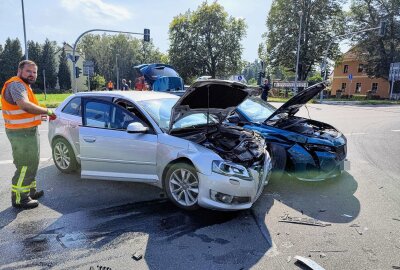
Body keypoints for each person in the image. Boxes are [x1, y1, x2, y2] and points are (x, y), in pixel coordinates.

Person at [1, 60, 57, 209]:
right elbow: (24, 105)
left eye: (34, 72)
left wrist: (39, 115)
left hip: (27, 131)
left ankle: (30, 191)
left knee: (32, 163)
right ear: (19, 71)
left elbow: (26, 111)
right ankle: (20, 198)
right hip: (20, 133)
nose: (32, 74)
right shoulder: (16, 84)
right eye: (28, 71)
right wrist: (47, 111)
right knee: (24, 165)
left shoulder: (25, 86)